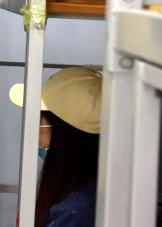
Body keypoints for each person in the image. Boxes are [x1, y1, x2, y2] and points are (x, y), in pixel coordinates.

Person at [9, 67, 102, 227]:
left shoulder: (74, 211)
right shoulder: (88, 196)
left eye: (40, 121)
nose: (36, 135)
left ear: (61, 132)